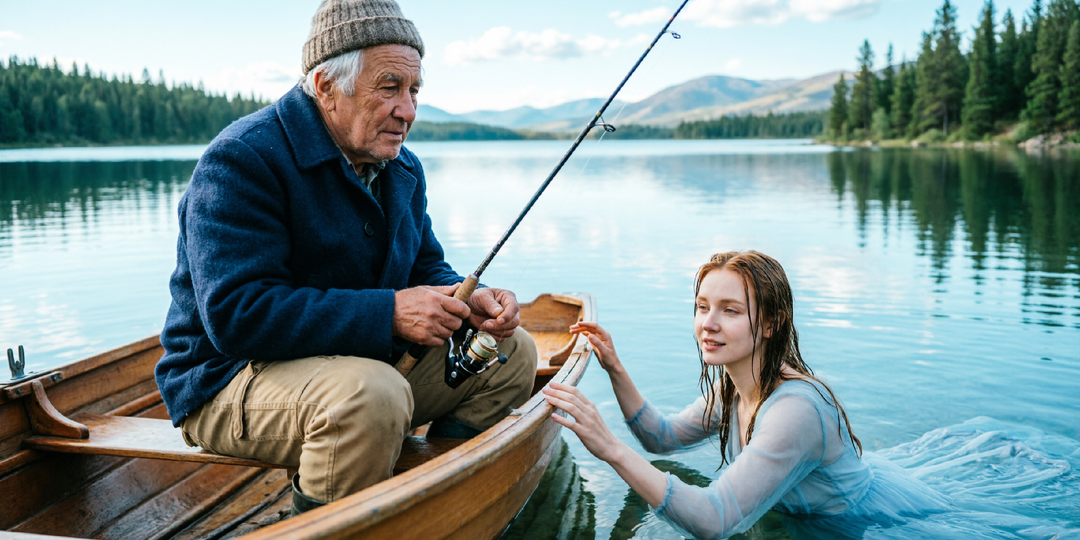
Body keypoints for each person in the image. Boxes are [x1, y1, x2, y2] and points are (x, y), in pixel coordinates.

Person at [154, 0, 537, 517]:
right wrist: (391, 313)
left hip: (356, 370)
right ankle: (318, 521)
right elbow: (235, 315)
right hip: (225, 381)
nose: (408, 110)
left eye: (414, 89)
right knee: (370, 397)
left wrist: (471, 302)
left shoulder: (400, 167)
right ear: (325, 86)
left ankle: (434, 489)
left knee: (512, 354)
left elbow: (425, 268)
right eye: (389, 87)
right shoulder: (243, 158)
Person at [543, 251, 1080, 539]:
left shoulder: (795, 411)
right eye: (702, 305)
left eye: (730, 310)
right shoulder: (733, 390)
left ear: (772, 323)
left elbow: (715, 520)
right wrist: (614, 366)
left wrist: (610, 449)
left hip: (872, 525)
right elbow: (662, 437)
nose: (708, 323)